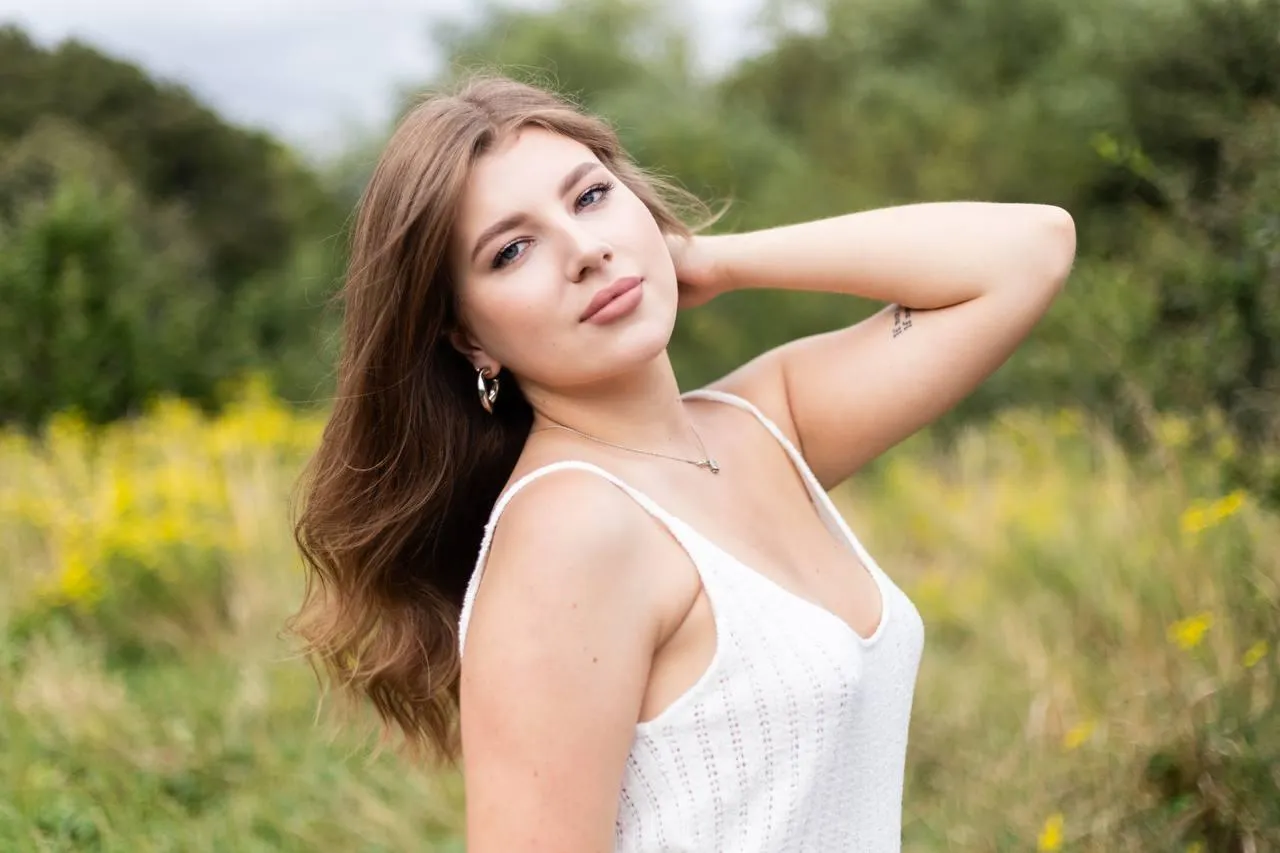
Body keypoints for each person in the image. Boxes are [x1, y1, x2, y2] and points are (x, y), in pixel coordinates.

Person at [289, 72, 1076, 852]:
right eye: (513, 249)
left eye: (591, 196)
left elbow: (1029, 252)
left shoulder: (768, 422)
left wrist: (714, 258)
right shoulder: (565, 535)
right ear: (469, 338)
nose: (586, 251)